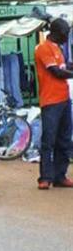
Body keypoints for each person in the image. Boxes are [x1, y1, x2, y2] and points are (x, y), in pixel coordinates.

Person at [34, 18, 73, 190]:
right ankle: (45, 177)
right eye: (65, 34)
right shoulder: (43, 48)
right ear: (56, 33)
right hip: (50, 101)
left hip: (64, 99)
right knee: (48, 140)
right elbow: (56, 72)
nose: (67, 37)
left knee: (64, 140)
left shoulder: (58, 48)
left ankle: (60, 176)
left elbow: (64, 67)